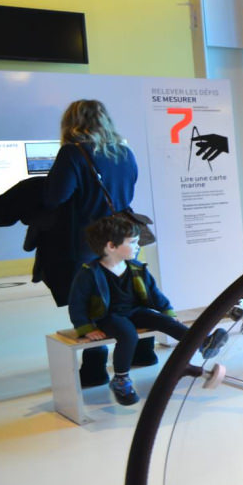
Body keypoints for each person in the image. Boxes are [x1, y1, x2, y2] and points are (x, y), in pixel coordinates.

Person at [66, 214, 187, 406]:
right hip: (108, 317)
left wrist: (167, 312)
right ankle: (120, 379)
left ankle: (202, 342)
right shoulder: (89, 273)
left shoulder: (137, 267)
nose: (138, 246)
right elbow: (77, 304)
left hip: (135, 311)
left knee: (165, 322)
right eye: (133, 242)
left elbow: (154, 294)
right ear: (111, 246)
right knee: (127, 335)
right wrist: (87, 329)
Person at [41, 99, 138, 307]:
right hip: (122, 236)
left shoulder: (72, 153)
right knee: (124, 298)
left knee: (89, 305)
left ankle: (102, 339)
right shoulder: (125, 152)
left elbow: (56, 197)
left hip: (88, 240)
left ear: (70, 123)